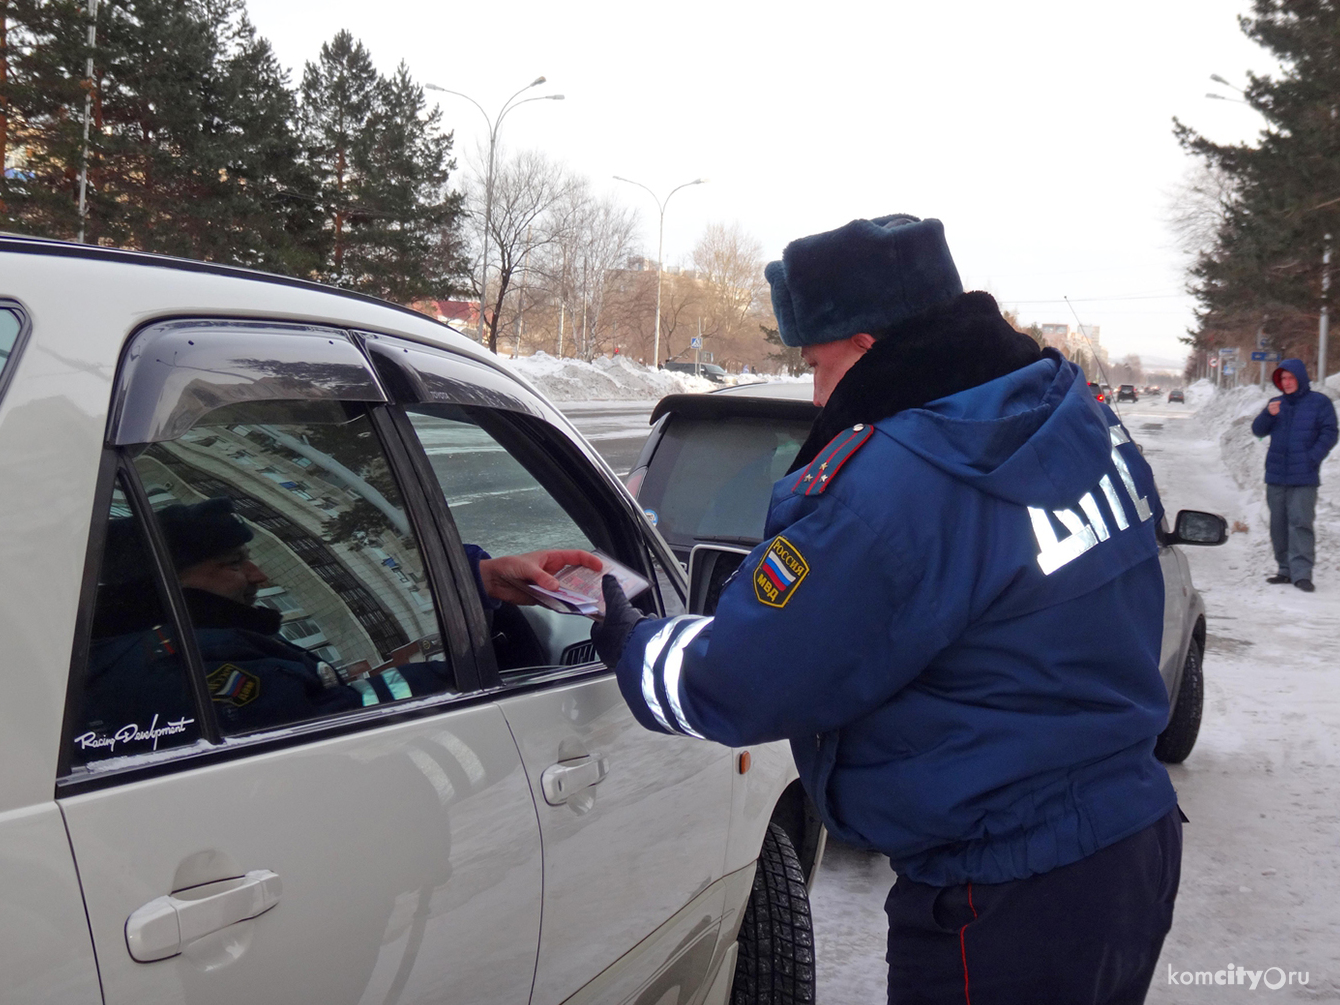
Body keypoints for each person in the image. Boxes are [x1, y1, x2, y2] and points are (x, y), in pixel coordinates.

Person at [592, 214, 1183, 1004]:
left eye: (816, 364)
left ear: (867, 347)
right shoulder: (1067, 412)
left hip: (1004, 888)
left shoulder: (895, 484)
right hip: (1127, 843)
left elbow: (745, 677)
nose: (815, 392)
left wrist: (632, 641)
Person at [78, 497, 598, 752]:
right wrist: (457, 674)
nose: (258, 574)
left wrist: (471, 579)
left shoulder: (131, 645)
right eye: (234, 563)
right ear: (166, 584)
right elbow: (339, 713)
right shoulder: (200, 665)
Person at [1250, 358, 1337, 592]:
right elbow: (1258, 430)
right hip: (1276, 475)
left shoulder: (1319, 403)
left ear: (1300, 378)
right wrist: (1268, 415)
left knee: (1300, 523)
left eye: (1290, 378)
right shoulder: (1276, 403)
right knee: (1278, 525)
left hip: (1304, 476)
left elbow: (1330, 432)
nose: (1287, 383)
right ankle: (1284, 569)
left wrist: (1313, 457)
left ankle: (1302, 573)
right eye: (1283, 379)